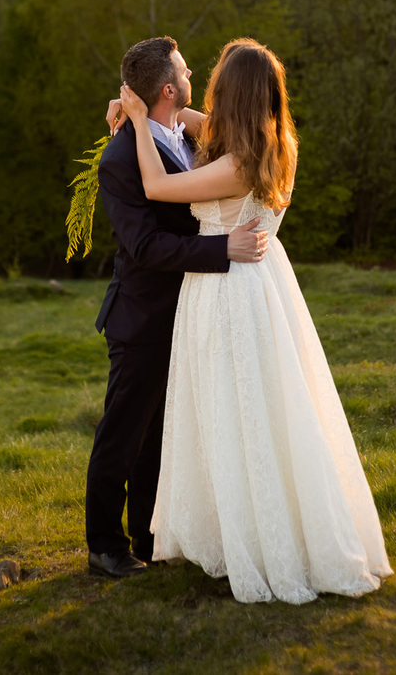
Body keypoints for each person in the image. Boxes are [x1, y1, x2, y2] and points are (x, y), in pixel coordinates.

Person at [114, 37, 392, 604]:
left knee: (234, 413)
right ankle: (264, 526)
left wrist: (142, 123)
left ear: (232, 96)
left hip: (227, 293)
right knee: (267, 412)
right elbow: (203, 119)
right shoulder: (277, 144)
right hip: (265, 290)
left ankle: (258, 541)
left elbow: (157, 187)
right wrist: (154, 106)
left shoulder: (238, 166)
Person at [85, 36, 268, 580]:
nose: (194, 75)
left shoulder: (185, 134)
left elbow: (211, 123)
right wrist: (221, 249)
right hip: (141, 318)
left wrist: (140, 108)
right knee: (124, 432)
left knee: (162, 433)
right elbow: (144, 247)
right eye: (186, 71)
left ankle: (148, 534)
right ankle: (104, 546)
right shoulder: (120, 157)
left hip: (188, 315)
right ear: (169, 86)